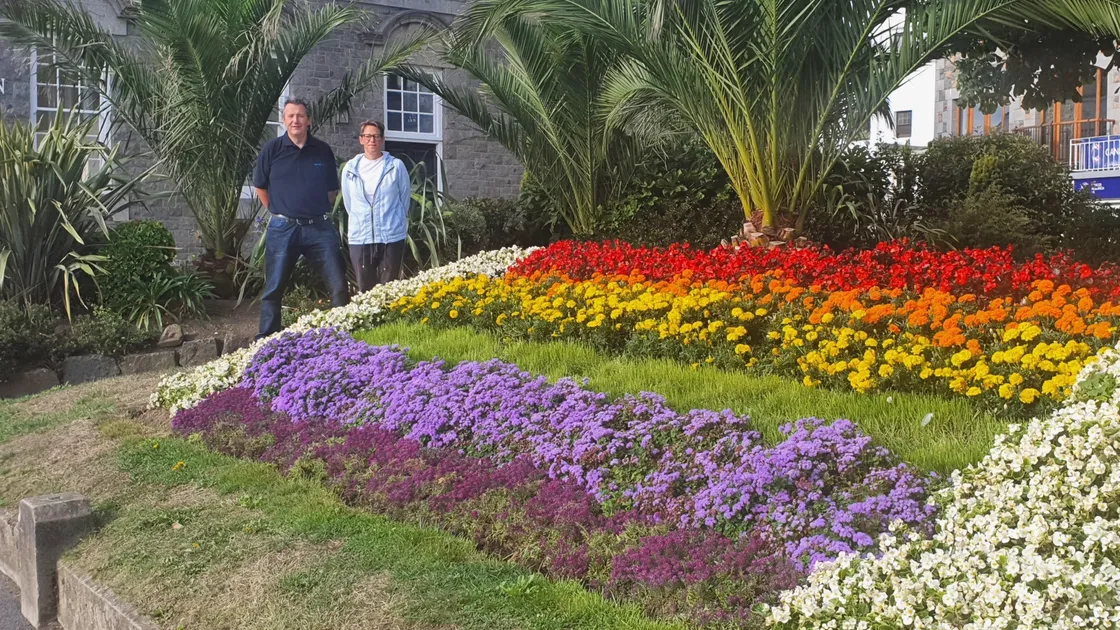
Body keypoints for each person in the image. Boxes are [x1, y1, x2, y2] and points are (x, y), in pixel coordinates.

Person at [252, 97, 350, 339]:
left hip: (319, 227)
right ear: (284, 120)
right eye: (291, 116)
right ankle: (267, 341)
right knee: (274, 288)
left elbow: (331, 191)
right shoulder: (272, 150)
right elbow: (260, 187)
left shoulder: (322, 150)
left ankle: (343, 335)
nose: (296, 120)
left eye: (300, 116)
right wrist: (278, 211)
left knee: (338, 285)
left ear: (309, 120)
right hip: (283, 227)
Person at [340, 120, 411, 293]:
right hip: (361, 238)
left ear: (382, 139)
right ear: (361, 139)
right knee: (366, 291)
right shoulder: (350, 169)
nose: (372, 140)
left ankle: (390, 321)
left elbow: (404, 201)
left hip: (391, 237)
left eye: (376, 136)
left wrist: (394, 223)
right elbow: (349, 203)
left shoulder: (395, 166)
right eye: (368, 136)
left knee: (389, 290)